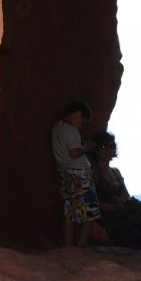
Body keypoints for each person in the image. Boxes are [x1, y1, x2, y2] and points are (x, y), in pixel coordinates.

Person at [87, 131, 141, 250]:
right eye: (103, 147)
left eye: (111, 146)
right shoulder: (94, 174)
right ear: (96, 149)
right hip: (108, 216)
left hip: (121, 211)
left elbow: (126, 196)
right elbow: (92, 204)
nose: (108, 150)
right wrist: (115, 207)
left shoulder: (115, 172)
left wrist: (130, 203)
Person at [51, 101, 101, 247]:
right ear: (77, 115)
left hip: (65, 174)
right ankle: (81, 247)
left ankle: (68, 247)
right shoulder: (72, 130)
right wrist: (87, 147)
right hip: (79, 175)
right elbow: (74, 153)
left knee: (69, 213)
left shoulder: (56, 128)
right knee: (90, 214)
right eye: (82, 121)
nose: (81, 125)